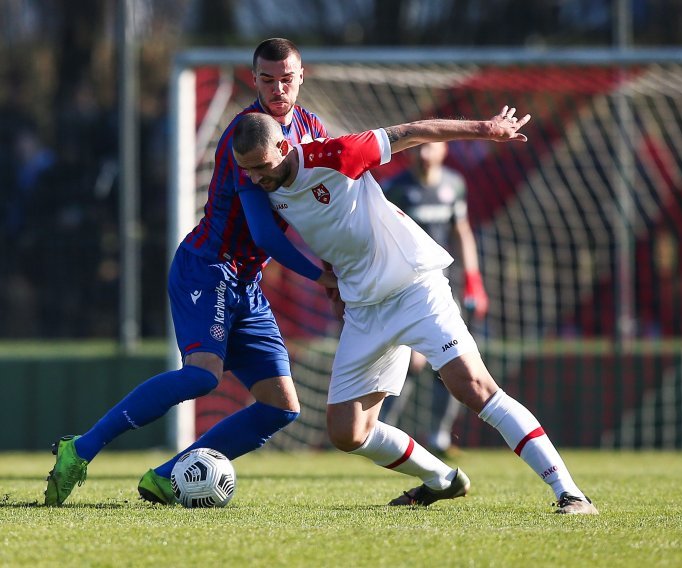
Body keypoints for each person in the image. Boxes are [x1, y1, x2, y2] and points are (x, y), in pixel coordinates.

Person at [231, 106, 599, 514]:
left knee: (473, 387)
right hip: (364, 308)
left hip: (414, 287)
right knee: (347, 432)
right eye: (247, 171)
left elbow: (411, 131)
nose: (256, 178)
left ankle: (571, 493)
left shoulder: (335, 154)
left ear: (284, 146)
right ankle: (442, 479)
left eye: (262, 167)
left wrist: (486, 129)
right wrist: (332, 277)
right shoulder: (261, 185)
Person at [44, 38, 335, 506]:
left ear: (302, 76)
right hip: (209, 269)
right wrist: (321, 276)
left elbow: (325, 207)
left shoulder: (311, 127)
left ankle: (165, 477)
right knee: (203, 376)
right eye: (267, 79)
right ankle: (79, 449)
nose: (278, 88)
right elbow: (263, 233)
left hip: (247, 282)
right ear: (253, 78)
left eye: (286, 79)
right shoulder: (249, 135)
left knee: (281, 408)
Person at [379, 141, 488, 457]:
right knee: (411, 363)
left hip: (442, 287)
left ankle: (438, 436)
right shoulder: (395, 189)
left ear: (443, 150)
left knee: (449, 362)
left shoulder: (454, 184)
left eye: (431, 147)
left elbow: (462, 230)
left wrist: (474, 281)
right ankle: (380, 431)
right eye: (419, 147)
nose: (424, 154)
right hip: (406, 288)